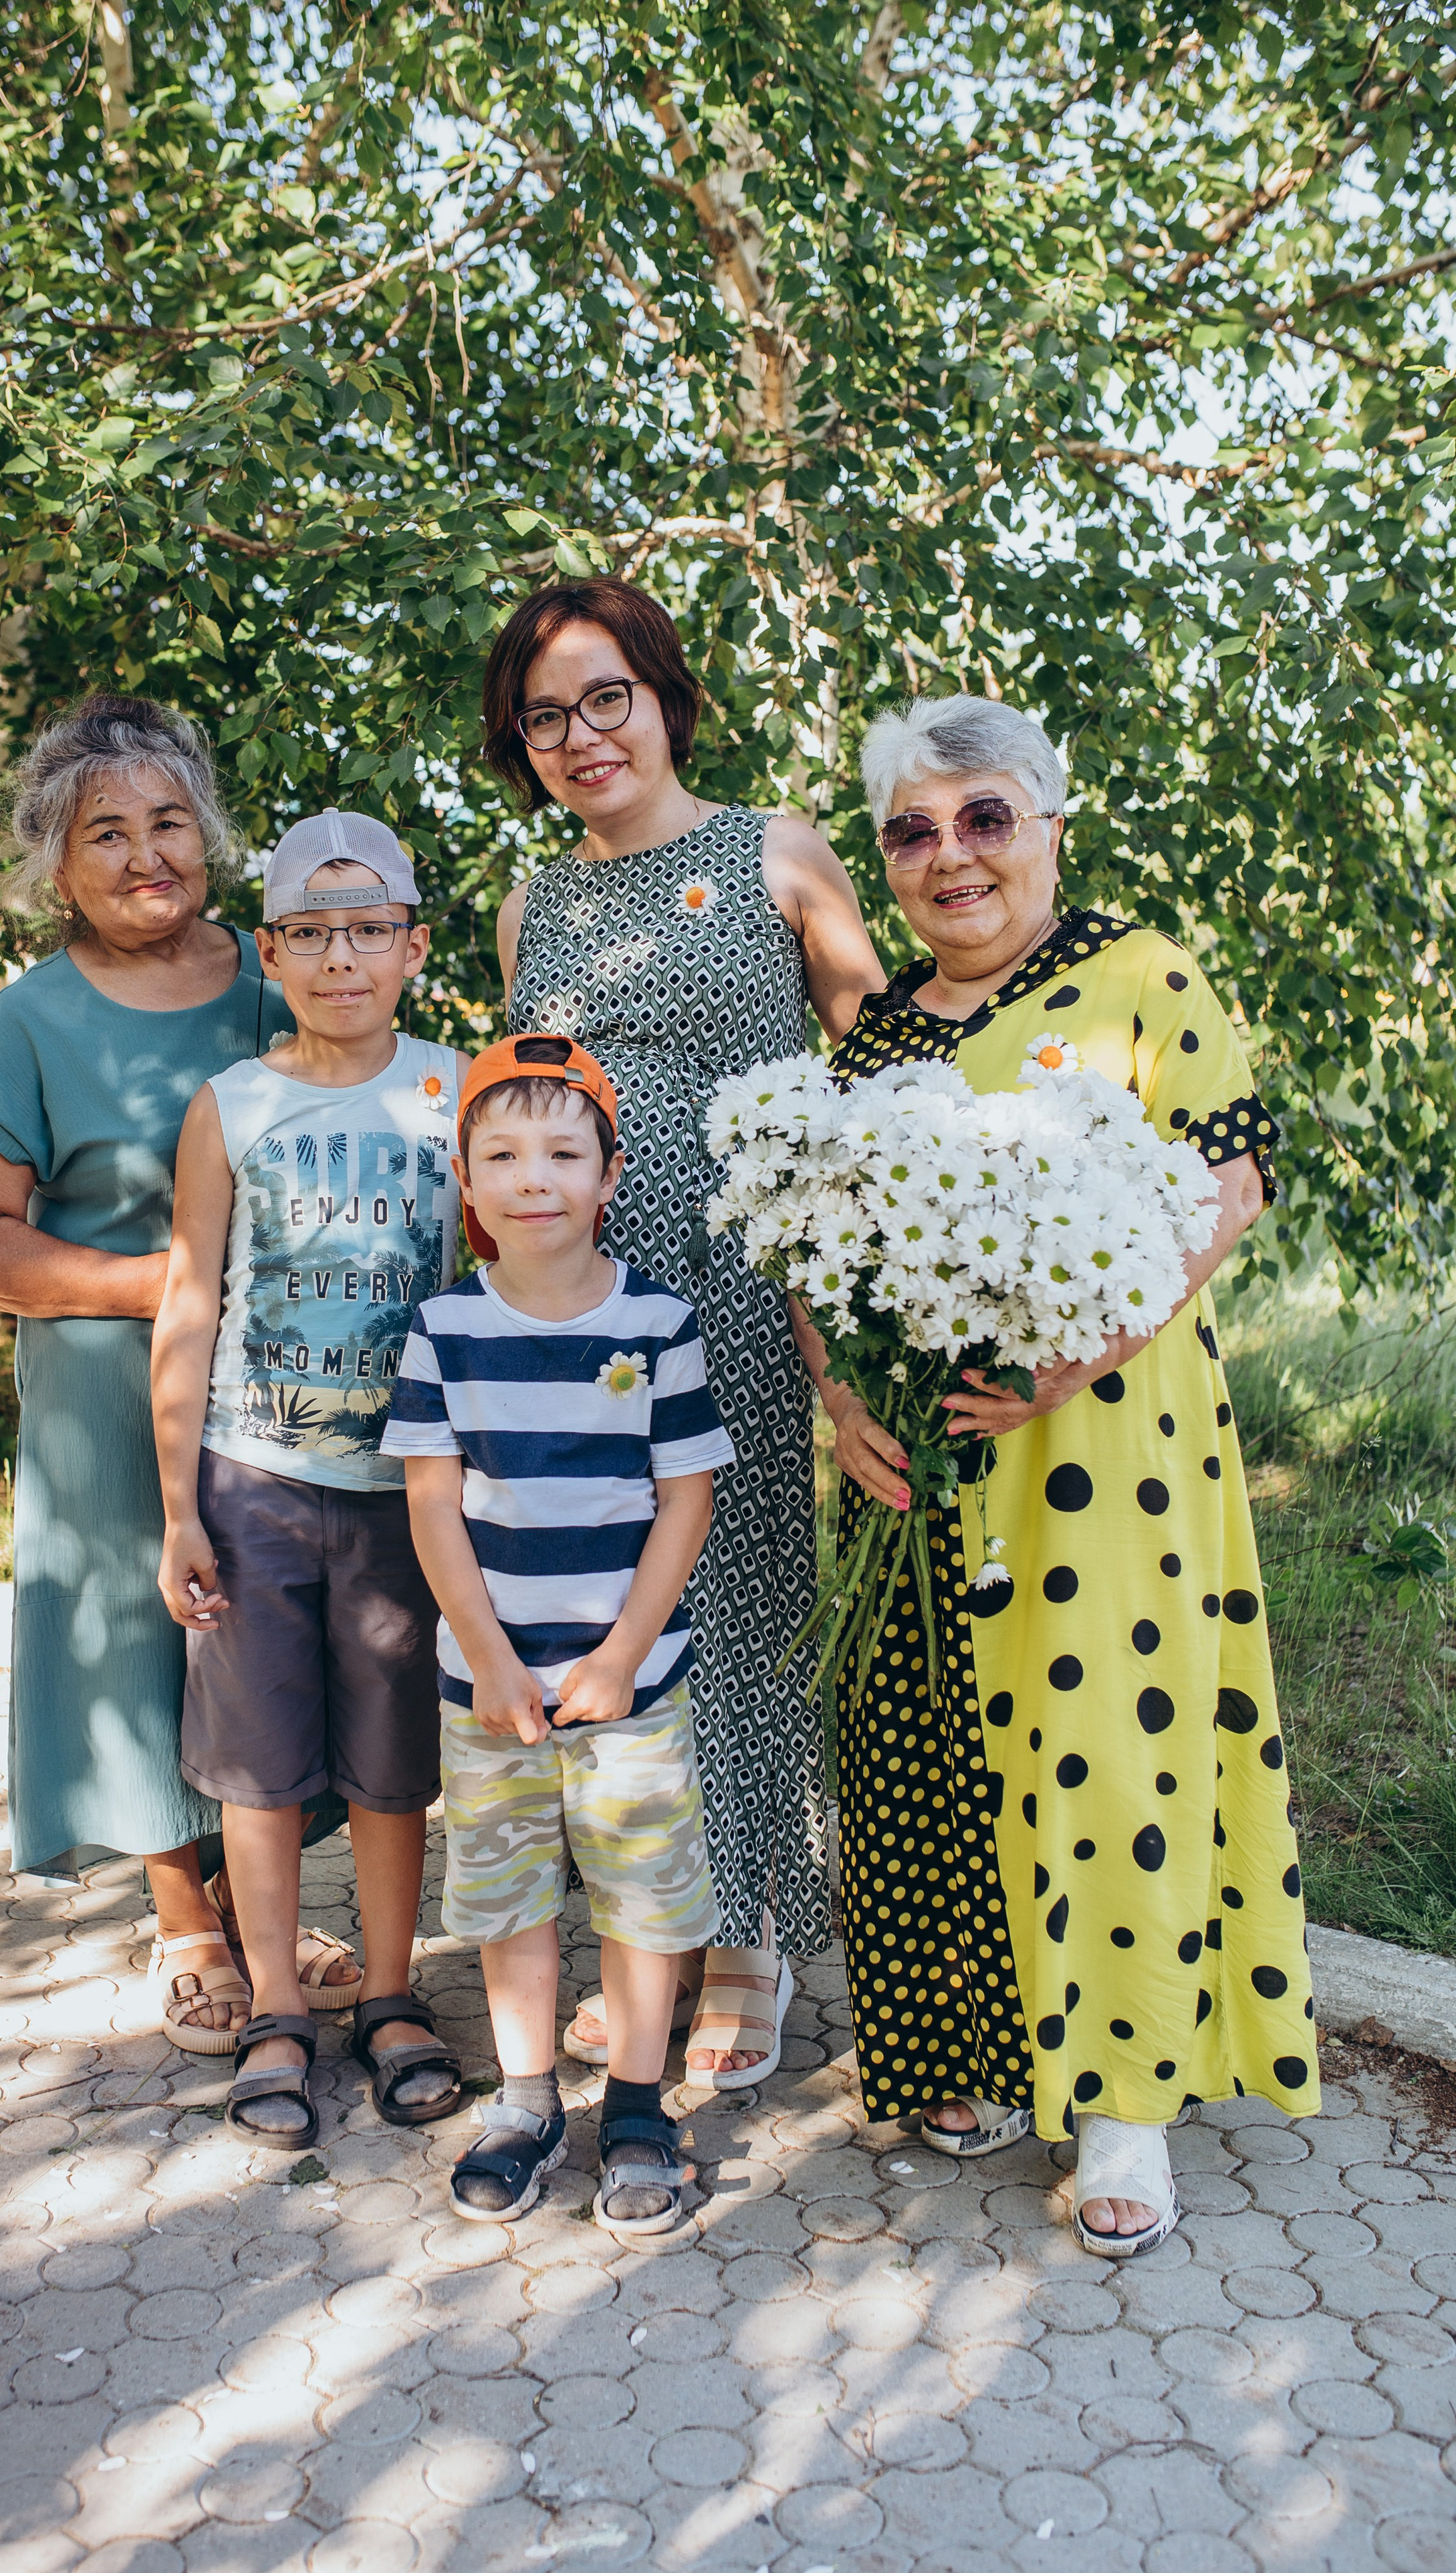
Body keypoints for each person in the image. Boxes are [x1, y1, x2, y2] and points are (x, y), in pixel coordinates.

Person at [796, 691, 1317, 2257]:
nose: (948, 855)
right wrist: (837, 1393)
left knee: (1104, 1754)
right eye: (909, 831)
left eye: (983, 818)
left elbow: (1228, 1183)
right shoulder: (878, 1031)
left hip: (1099, 1444)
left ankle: (1121, 2102)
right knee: (923, 1735)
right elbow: (813, 1239)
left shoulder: (1137, 974)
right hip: (920, 1455)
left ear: (1048, 828)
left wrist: (1067, 1361)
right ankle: (962, 2046)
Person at [0, 698, 360, 2050]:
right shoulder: (32, 1020)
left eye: (169, 821)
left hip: (284, 1382)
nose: (145, 853)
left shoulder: (277, 983)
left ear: (209, 837)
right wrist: (167, 1286)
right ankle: (183, 1918)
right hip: (107, 1390)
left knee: (270, 1631)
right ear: (58, 865)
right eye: (106, 832)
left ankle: (258, 1901)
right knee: (135, 1633)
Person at [487, 577, 886, 2083]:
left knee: (737, 1594)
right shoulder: (532, 908)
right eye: (545, 718)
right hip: (579, 1311)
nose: (582, 736)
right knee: (605, 1604)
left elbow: (878, 1064)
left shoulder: (775, 852)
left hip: (746, 1287)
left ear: (665, 697)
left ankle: (747, 1939)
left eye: (609, 697)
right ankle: (643, 1921)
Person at [382, 1035, 735, 2231]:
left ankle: (636, 2106)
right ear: (466, 1184)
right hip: (490, 1688)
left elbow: (684, 1498)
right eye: (502, 1156)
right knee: (510, 1900)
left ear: (609, 1175)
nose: (534, 1177)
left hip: (630, 1682)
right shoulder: (444, 1328)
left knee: (640, 1899)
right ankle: (527, 2101)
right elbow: (434, 1504)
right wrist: (487, 1659)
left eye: (563, 1154)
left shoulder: (659, 1321)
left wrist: (624, 1655)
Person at [151, 813, 469, 2143]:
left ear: (414, 946)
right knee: (260, 1770)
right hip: (255, 1480)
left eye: (369, 930)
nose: (342, 957)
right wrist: (181, 1507)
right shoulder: (233, 1106)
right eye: (310, 933)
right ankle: (278, 2006)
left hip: (408, 1495)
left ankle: (390, 1994)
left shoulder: (460, 1092)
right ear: (270, 953)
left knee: (394, 1766)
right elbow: (189, 1301)